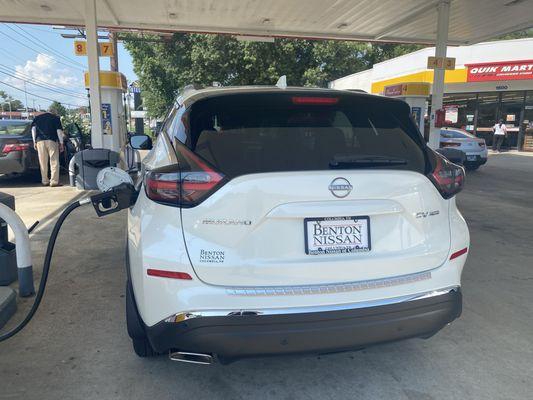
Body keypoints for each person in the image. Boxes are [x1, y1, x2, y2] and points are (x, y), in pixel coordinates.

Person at [31, 111, 65, 187]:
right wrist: (61, 143)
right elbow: (59, 131)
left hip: (40, 141)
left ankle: (45, 181)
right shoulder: (55, 118)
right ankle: (54, 181)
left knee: (42, 161)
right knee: (54, 161)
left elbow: (33, 129)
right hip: (52, 141)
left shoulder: (37, 118)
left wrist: (34, 141)